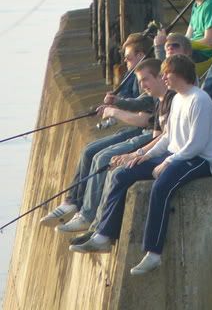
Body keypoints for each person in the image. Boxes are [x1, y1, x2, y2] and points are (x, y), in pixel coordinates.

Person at [72, 55, 212, 276]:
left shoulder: (200, 100)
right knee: (122, 174)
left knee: (161, 186)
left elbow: (195, 145)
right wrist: (142, 154)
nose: (164, 78)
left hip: (199, 160)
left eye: (167, 74)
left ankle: (153, 253)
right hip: (176, 155)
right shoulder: (177, 99)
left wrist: (167, 162)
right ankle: (103, 235)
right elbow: (168, 137)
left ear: (179, 74)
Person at [65, 40, 194, 249]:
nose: (142, 86)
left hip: (174, 158)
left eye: (145, 80)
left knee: (116, 171)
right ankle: (97, 229)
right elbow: (162, 133)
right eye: (140, 81)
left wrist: (139, 153)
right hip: (162, 152)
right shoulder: (165, 99)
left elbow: (172, 139)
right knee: (111, 166)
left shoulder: (179, 100)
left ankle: (102, 232)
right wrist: (139, 153)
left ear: (163, 78)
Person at [39, 36, 156, 229]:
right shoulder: (134, 78)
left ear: (141, 56)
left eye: (127, 58)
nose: (125, 62)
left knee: (102, 158)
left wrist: (114, 110)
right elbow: (133, 104)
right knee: (88, 150)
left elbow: (143, 117)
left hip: (144, 132)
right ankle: (72, 202)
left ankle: (86, 215)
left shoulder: (148, 78)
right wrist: (115, 103)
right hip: (135, 128)